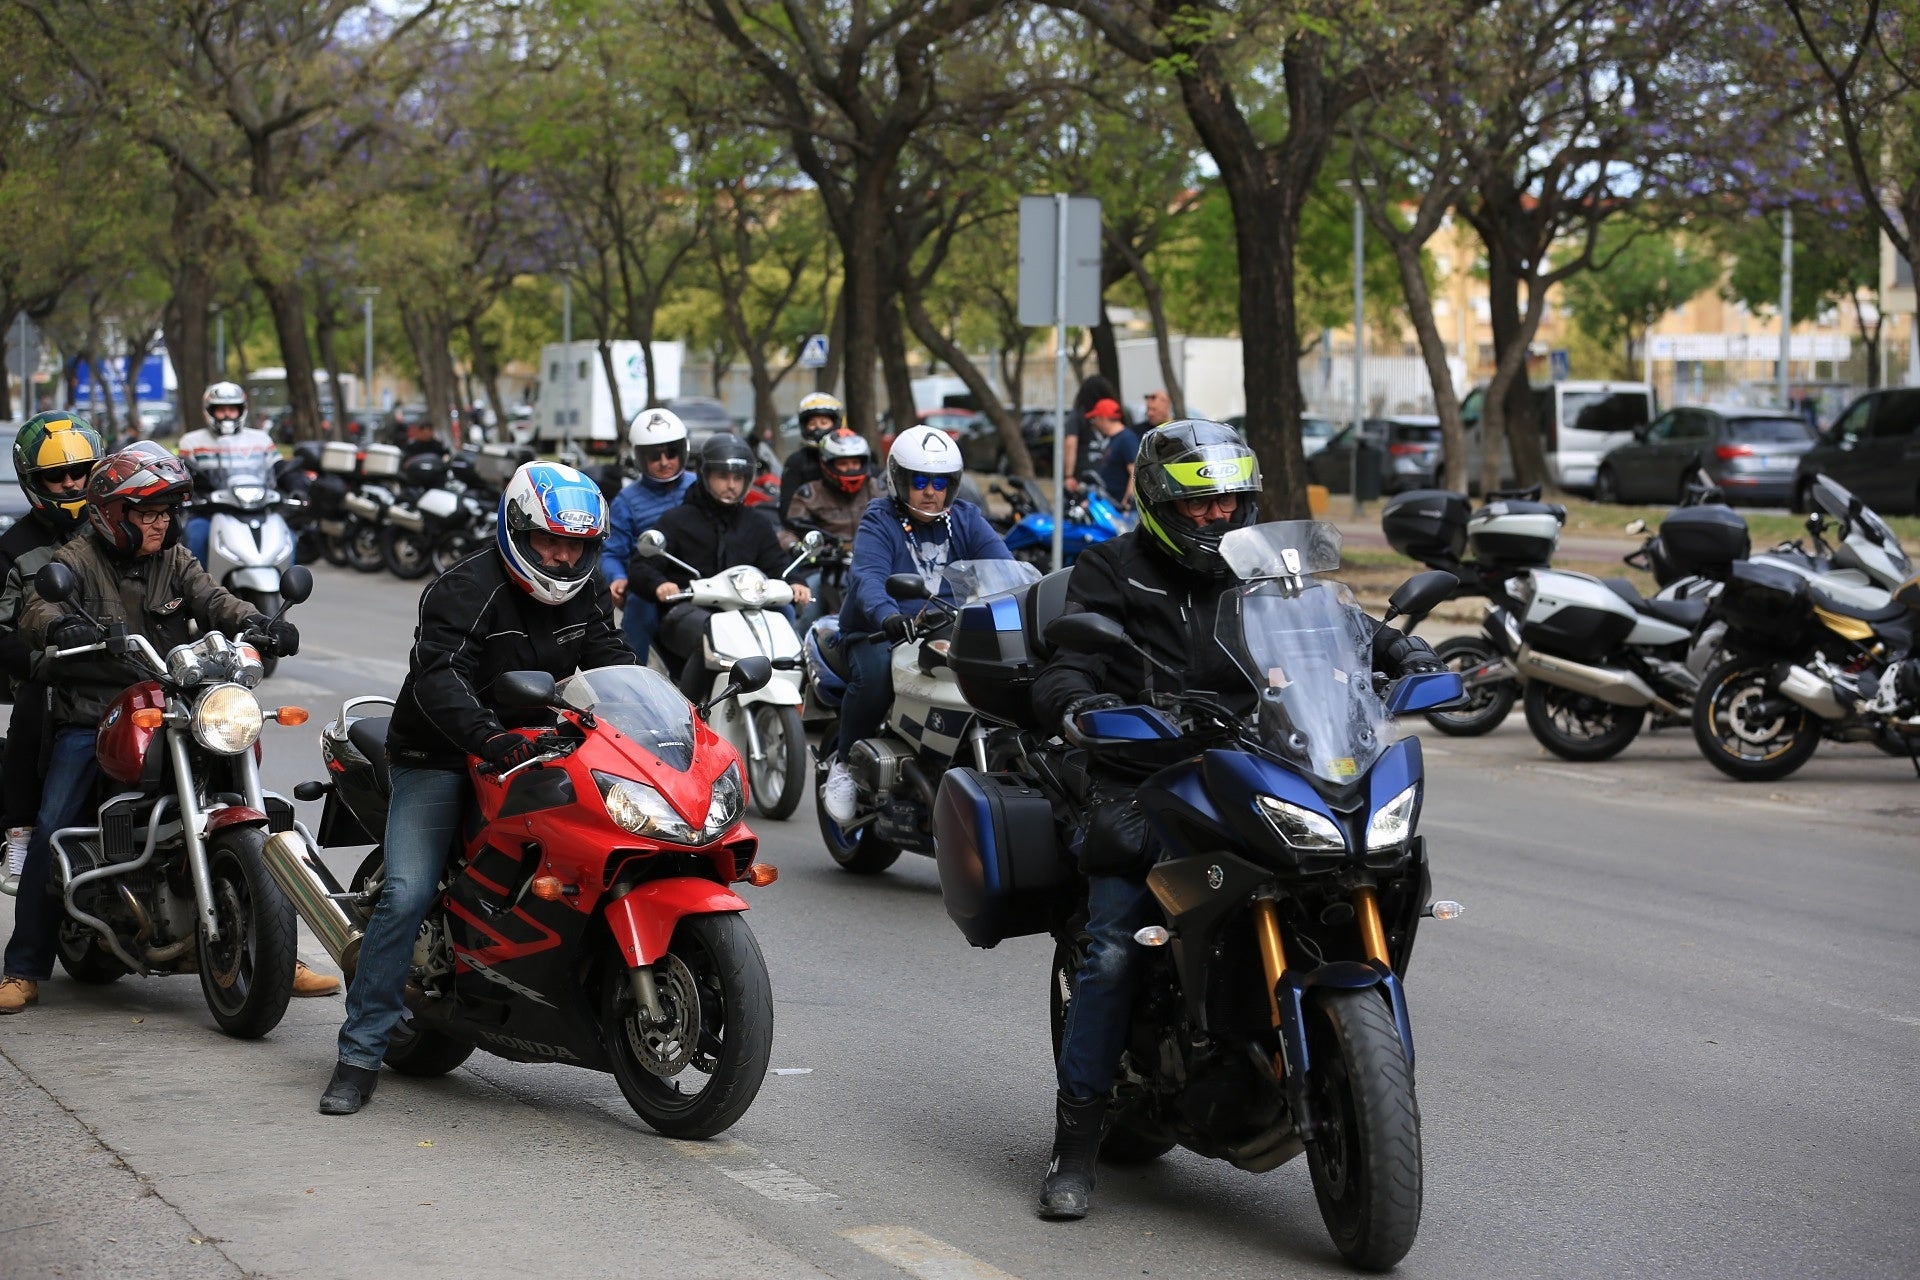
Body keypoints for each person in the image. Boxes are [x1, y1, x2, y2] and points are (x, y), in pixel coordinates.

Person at [1026, 419, 1442, 1220]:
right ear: (1158, 504)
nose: (1221, 518)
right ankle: (1073, 1149)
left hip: (1256, 763)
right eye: (1202, 505)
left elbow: (1344, 630)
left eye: (1233, 503)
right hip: (1143, 776)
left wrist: (1405, 658)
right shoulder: (1111, 571)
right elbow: (1066, 665)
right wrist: (1080, 703)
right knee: (1114, 943)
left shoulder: (1267, 578)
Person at [319, 461, 634, 1114]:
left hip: (534, 745)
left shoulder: (587, 587)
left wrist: (652, 718)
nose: (564, 555)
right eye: (551, 540)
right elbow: (440, 680)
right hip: (439, 752)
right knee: (407, 892)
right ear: (517, 529)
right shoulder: (464, 589)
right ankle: (359, 1052)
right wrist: (492, 741)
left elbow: (611, 659)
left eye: (577, 545)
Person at [1, 443, 316, 1015]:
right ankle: (23, 967)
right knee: (52, 828)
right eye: (146, 513)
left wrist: (258, 623)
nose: (159, 523)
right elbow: (34, 610)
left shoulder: (175, 560)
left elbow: (215, 599)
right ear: (109, 514)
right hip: (95, 712)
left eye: (166, 512)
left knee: (259, 806)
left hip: (174, 705)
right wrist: (61, 626)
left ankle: (277, 951)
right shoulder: (75, 558)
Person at [821, 425, 1010, 823]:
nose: (930, 491)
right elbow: (868, 576)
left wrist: (1027, 597)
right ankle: (842, 766)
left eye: (940, 482)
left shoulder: (965, 518)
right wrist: (887, 615)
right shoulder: (880, 518)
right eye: (920, 480)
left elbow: (1004, 566)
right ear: (900, 480)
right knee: (872, 677)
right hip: (879, 630)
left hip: (946, 625)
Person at [0, 412, 105, 894]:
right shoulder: (13, 548)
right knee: (33, 705)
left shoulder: (119, 532)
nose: (69, 482)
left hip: (125, 669)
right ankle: (20, 833)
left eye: (78, 471)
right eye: (55, 476)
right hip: (54, 674)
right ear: (33, 480)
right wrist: (43, 657)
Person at [626, 435, 812, 699]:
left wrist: (795, 581)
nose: (731, 485)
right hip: (688, 610)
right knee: (712, 636)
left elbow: (777, 564)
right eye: (723, 477)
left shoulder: (756, 523)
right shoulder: (677, 520)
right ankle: (691, 712)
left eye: (739, 478)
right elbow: (642, 565)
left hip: (749, 610)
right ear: (705, 475)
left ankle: (789, 689)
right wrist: (659, 584)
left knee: (784, 620)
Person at [601, 408, 698, 662]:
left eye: (672, 453)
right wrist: (617, 578)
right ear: (639, 458)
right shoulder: (626, 501)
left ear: (684, 450)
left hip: (702, 579)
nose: (665, 461)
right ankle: (635, 677)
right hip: (651, 583)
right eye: (654, 456)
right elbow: (612, 552)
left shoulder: (701, 488)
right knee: (639, 606)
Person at [785, 428, 883, 631]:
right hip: (823, 569)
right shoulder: (809, 493)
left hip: (873, 567)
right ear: (828, 463)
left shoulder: (877, 489)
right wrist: (797, 546)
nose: (850, 469)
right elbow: (788, 531)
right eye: (843, 463)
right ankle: (798, 657)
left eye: (855, 463)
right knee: (807, 609)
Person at [176, 382, 278, 568]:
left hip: (257, 511)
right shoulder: (191, 442)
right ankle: (198, 592)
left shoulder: (262, 440)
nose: (227, 414)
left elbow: (278, 469)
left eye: (232, 409)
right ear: (209, 411)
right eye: (221, 409)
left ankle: (287, 593)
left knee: (287, 536)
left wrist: (296, 484)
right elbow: (182, 477)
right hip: (209, 512)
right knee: (197, 535)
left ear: (242, 410)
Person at [778, 392, 844, 524]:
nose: (817, 428)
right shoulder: (796, 462)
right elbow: (787, 507)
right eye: (812, 423)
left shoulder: (850, 455)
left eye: (824, 423)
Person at [1059, 375, 1126, 494]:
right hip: (1113, 477)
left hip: (1084, 475)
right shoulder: (1116, 413)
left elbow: (1070, 443)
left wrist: (1069, 475)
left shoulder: (1078, 414)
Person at [1079, 398, 1139, 507]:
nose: (1095, 423)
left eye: (1095, 418)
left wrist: (1127, 503)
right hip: (1110, 506)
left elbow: (1135, 471)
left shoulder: (1126, 439)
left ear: (1102, 418)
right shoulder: (1114, 439)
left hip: (1120, 509)